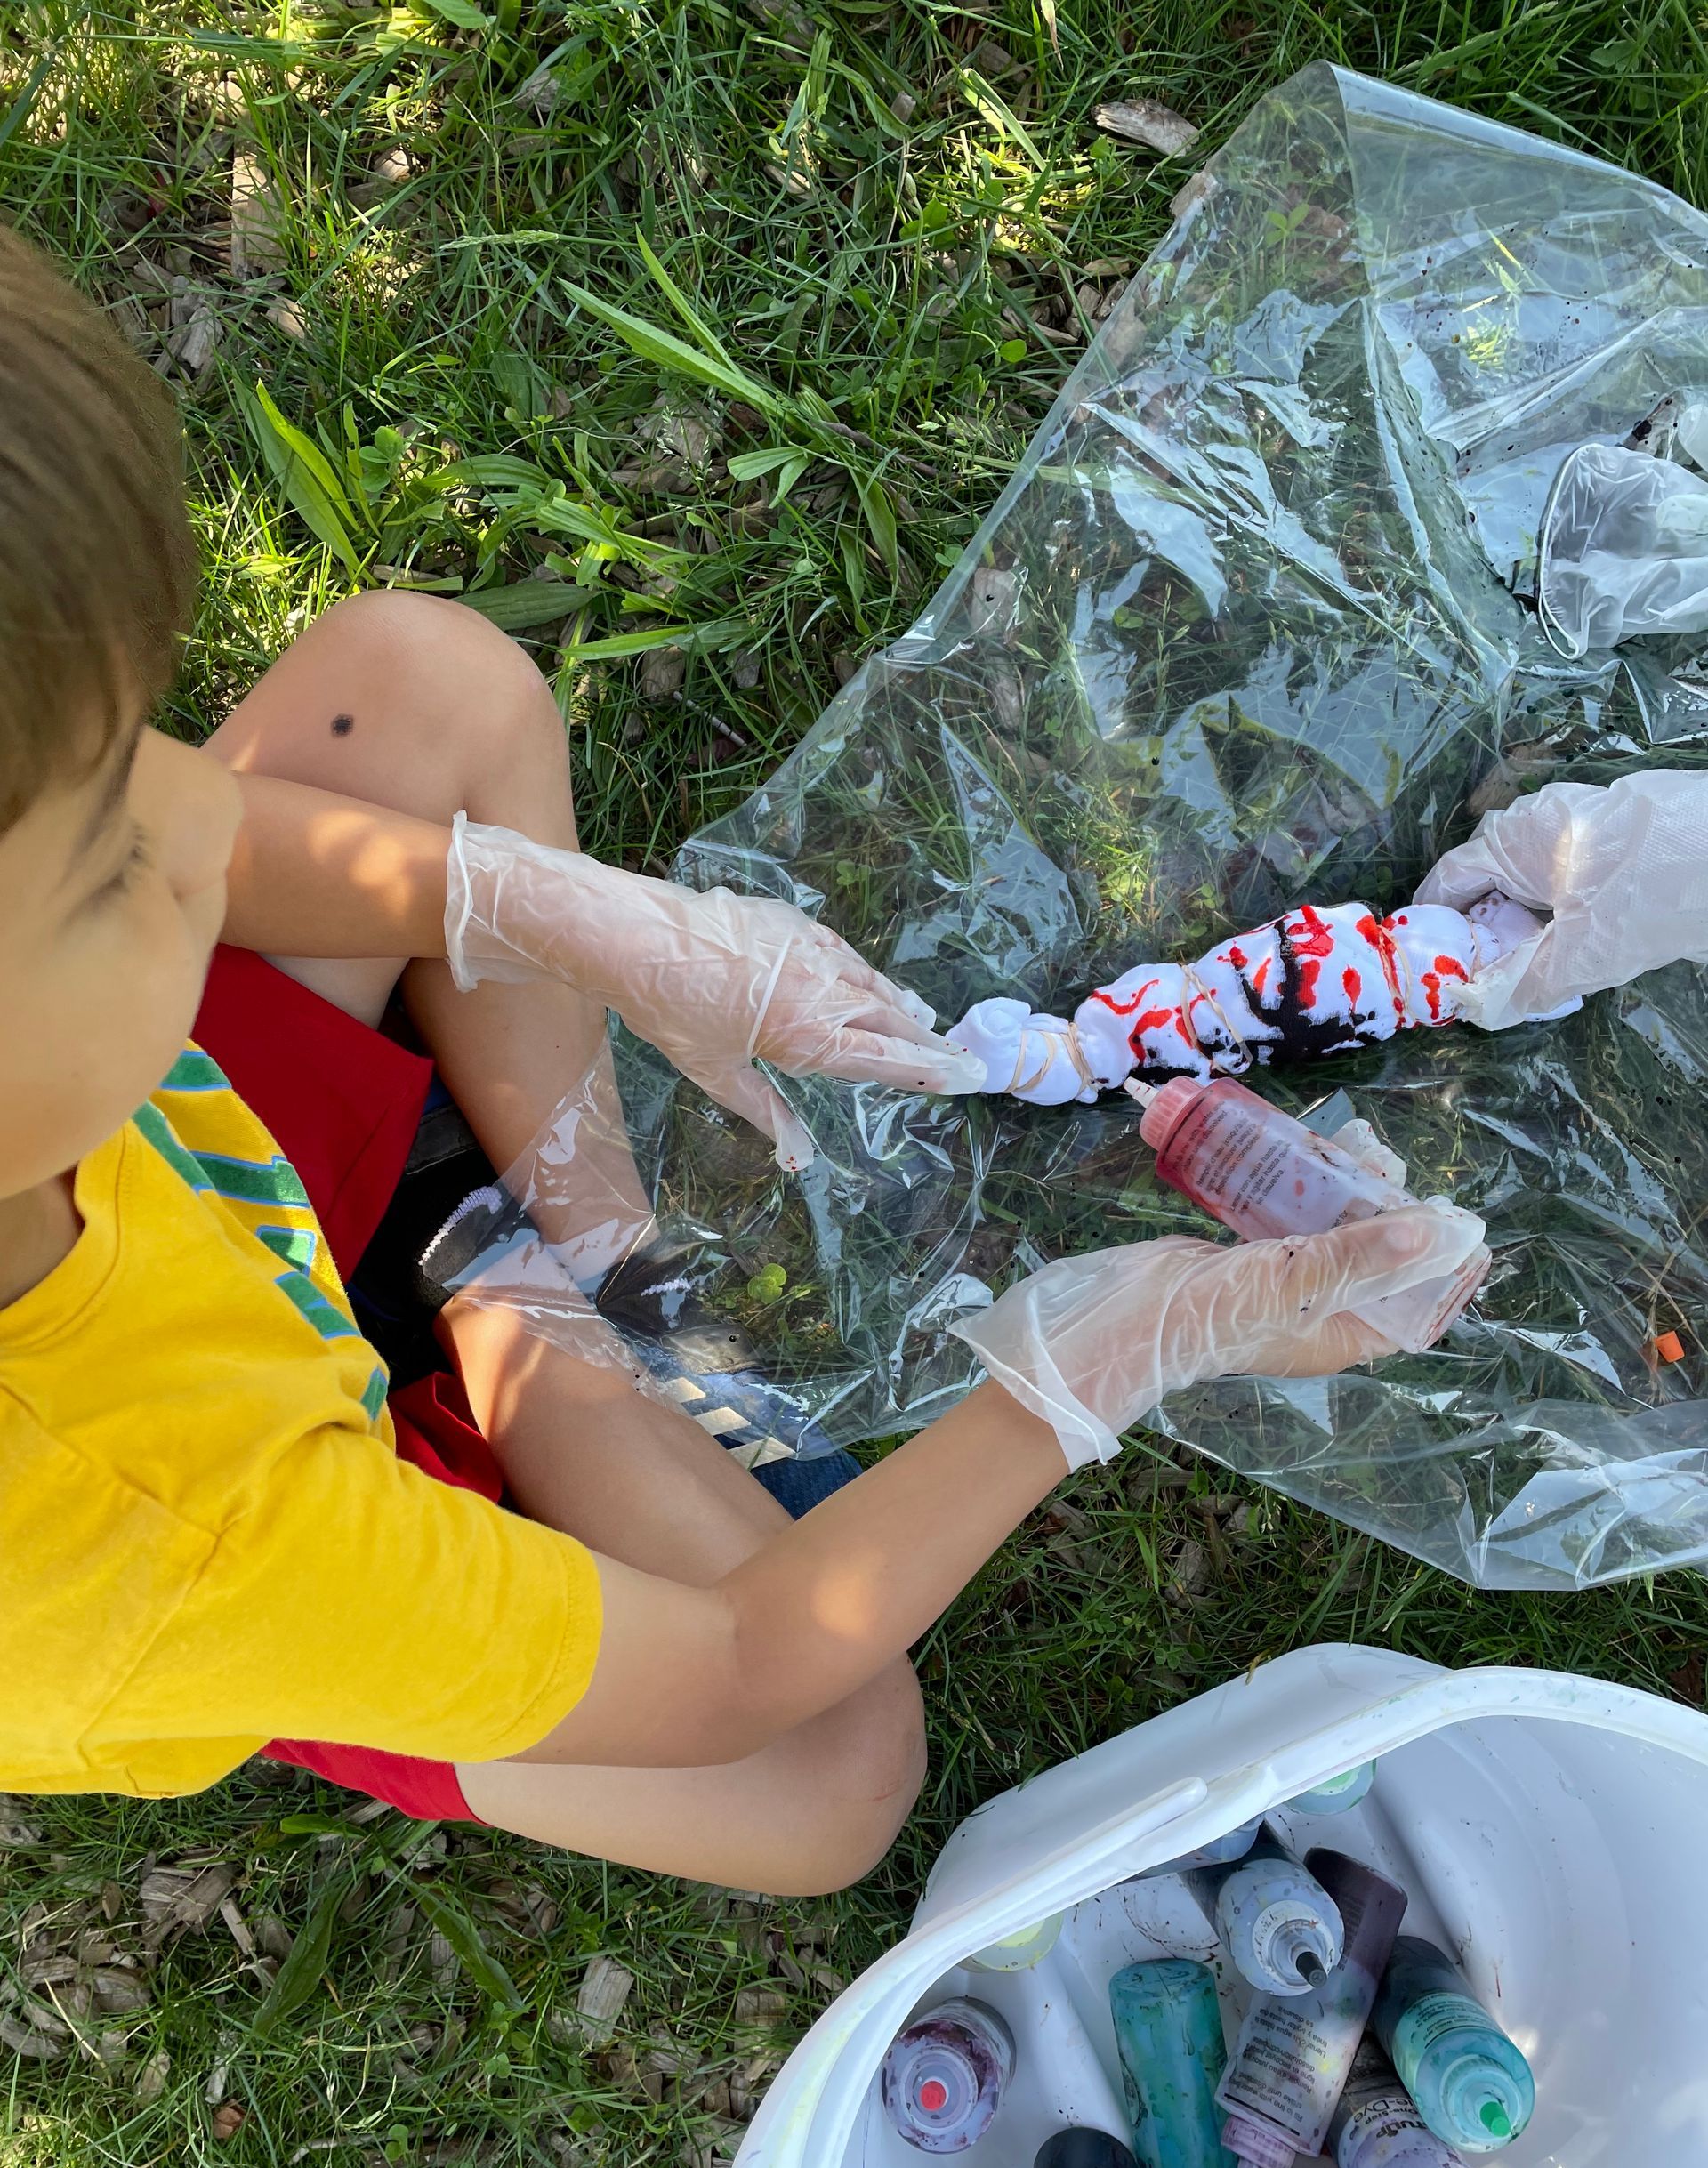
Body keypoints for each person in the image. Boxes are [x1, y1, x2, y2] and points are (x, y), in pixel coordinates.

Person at [0, 229, 1481, 1897]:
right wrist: (1103, 1356)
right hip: (270, 1477)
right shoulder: (157, 1538)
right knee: (831, 1773)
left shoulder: (44, 1041)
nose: (206, 815)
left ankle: (601, 1258)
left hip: (179, 1177)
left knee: (427, 686)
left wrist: (541, 901)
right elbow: (730, 1675)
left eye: (136, 768)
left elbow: (222, 836)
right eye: (110, 866)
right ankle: (498, 1296)